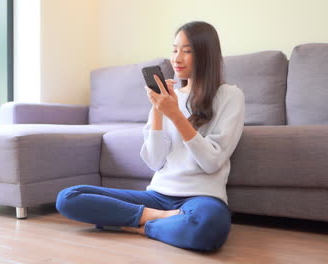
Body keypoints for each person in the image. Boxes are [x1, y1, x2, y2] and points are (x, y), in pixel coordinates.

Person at [55, 21, 245, 252]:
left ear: (206, 54)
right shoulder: (167, 98)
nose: (177, 58)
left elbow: (211, 162)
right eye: (175, 49)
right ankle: (160, 217)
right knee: (68, 197)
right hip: (157, 197)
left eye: (187, 51)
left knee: (208, 227)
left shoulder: (230, 95)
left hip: (202, 197)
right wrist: (157, 110)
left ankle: (138, 226)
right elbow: (155, 162)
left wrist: (175, 114)